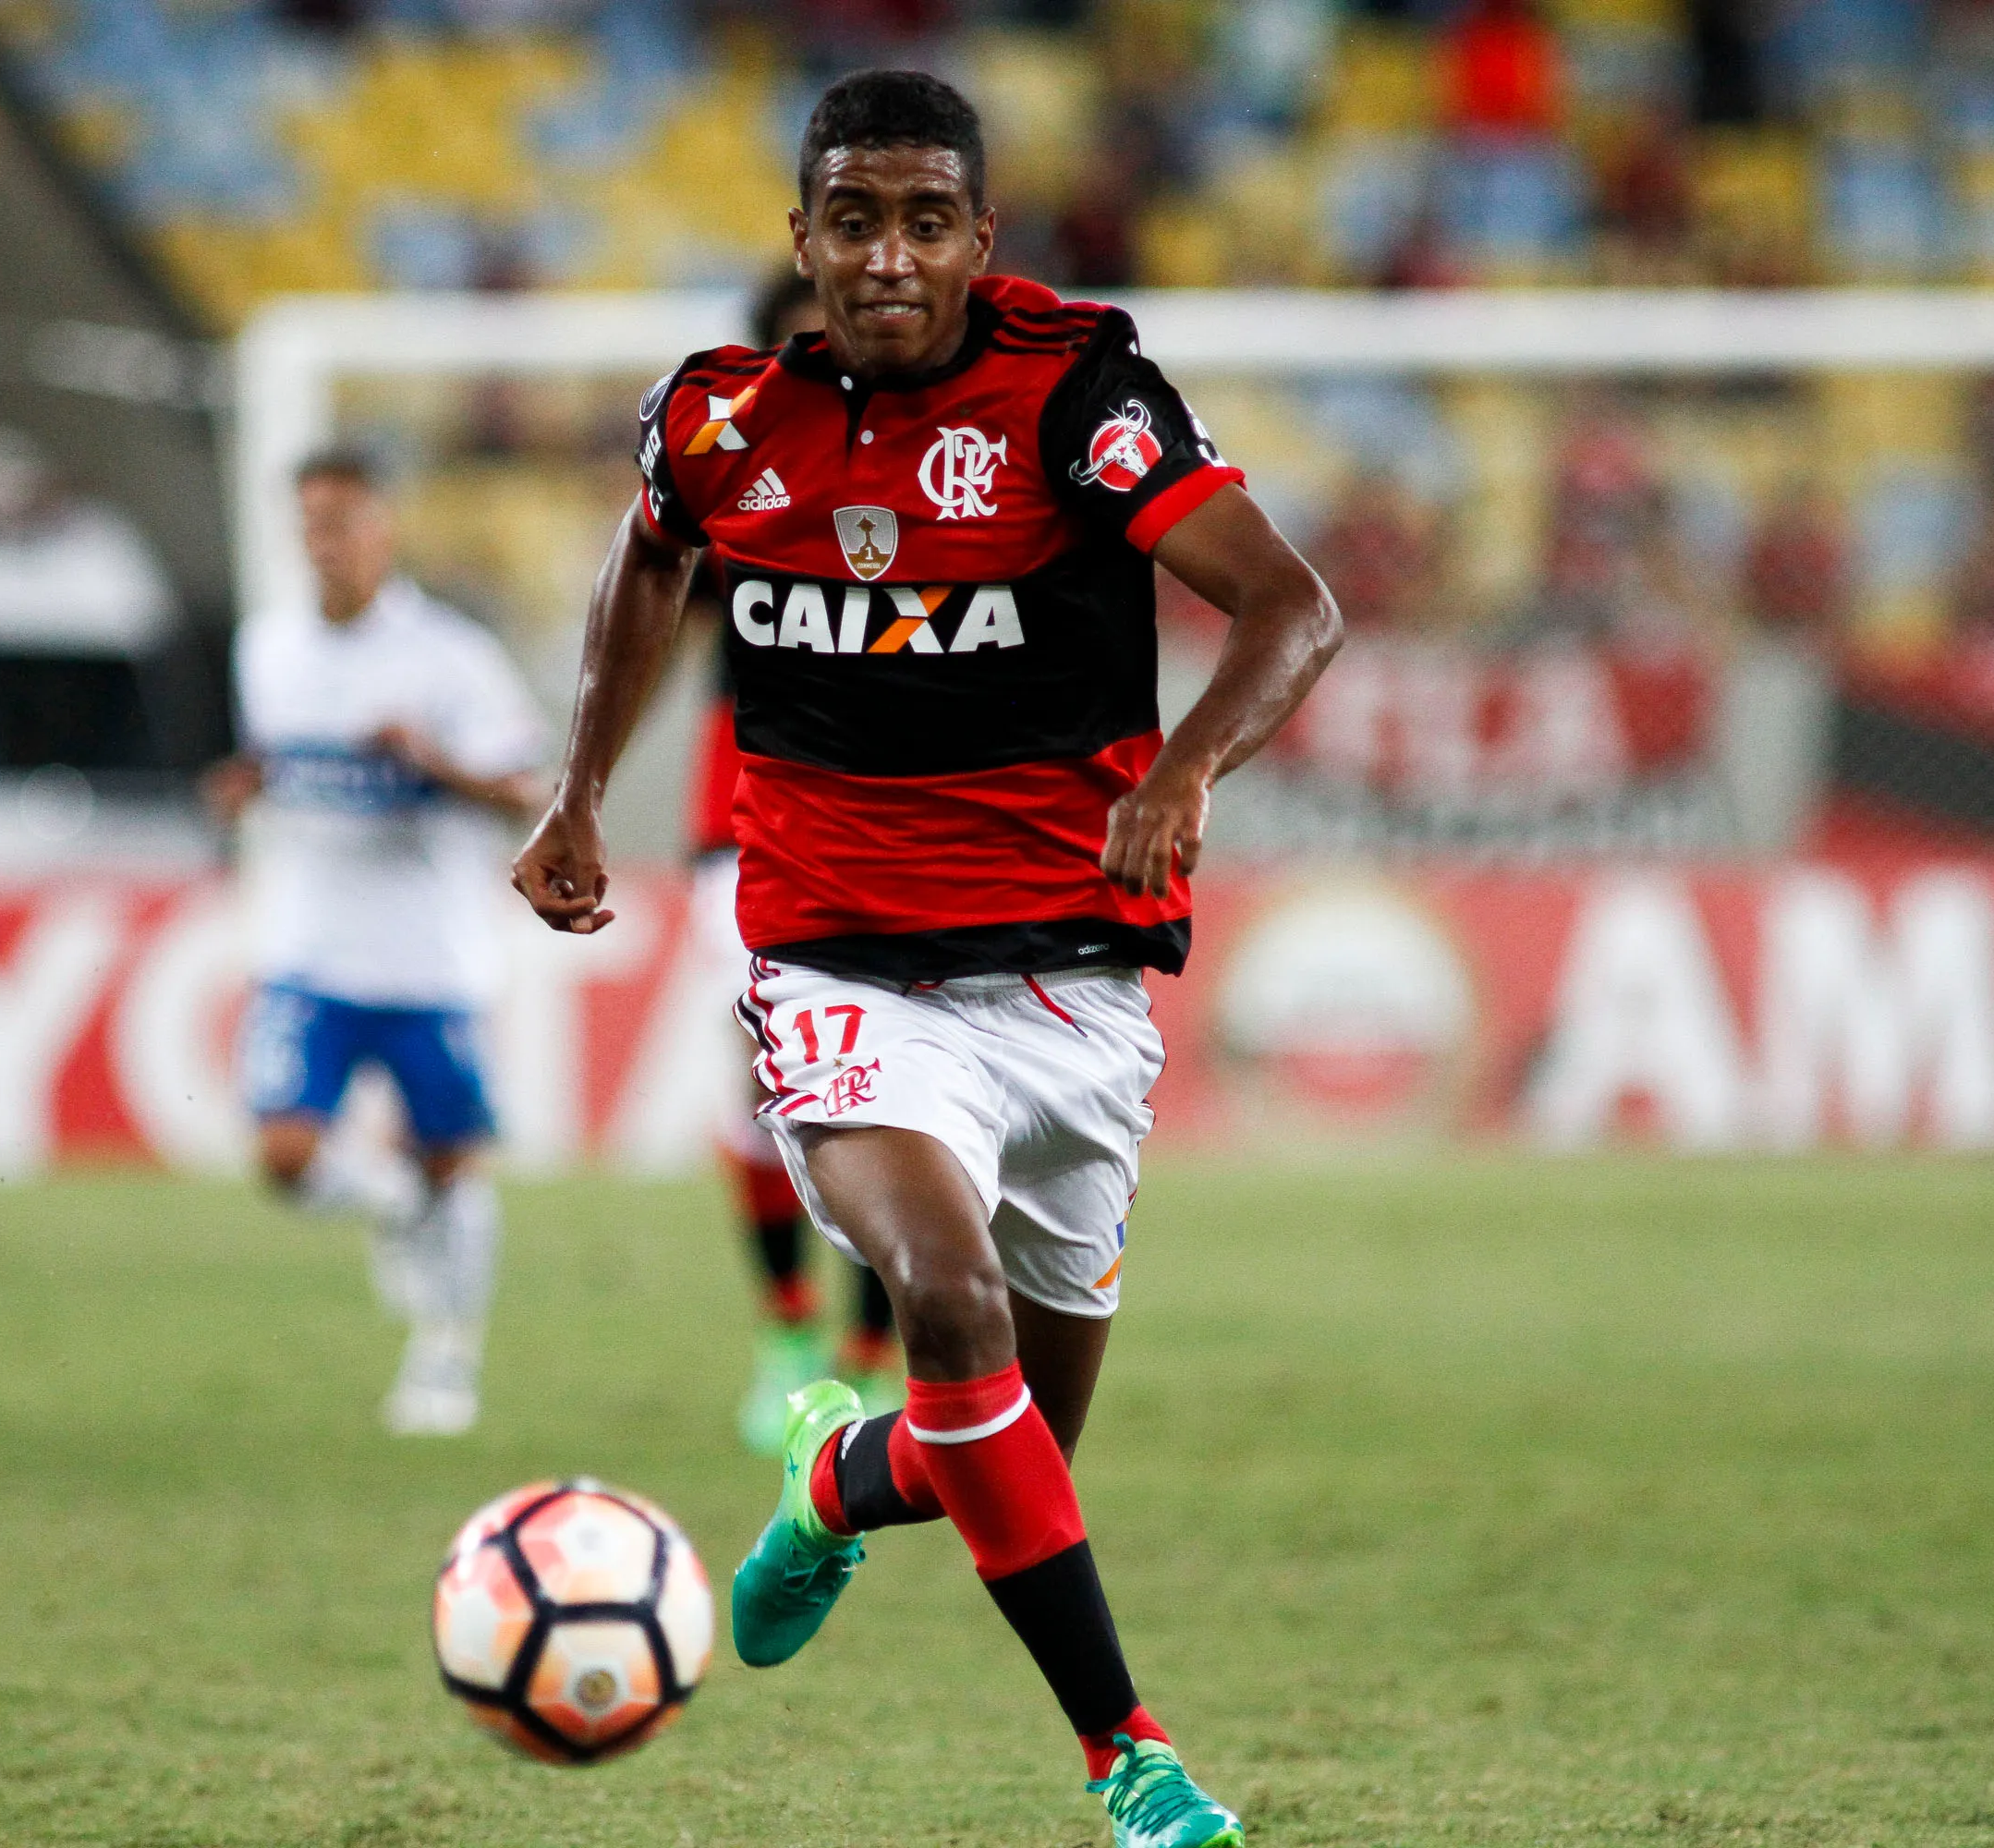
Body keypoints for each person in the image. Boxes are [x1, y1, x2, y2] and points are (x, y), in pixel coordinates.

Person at [512, 70, 1341, 1848]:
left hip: (1073, 983)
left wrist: (1187, 770)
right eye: (853, 221)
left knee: (1015, 1439)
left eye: (924, 222)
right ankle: (1134, 1757)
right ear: (800, 239)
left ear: (980, 237)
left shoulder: (1074, 395)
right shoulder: (722, 416)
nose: (887, 257)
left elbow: (1292, 604)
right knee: (945, 1307)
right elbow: (645, 564)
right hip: (843, 970)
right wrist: (578, 789)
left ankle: (831, 1475)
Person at [206, 445, 546, 1437]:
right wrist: (246, 786)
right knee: (284, 1154)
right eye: (312, 521)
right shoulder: (266, 648)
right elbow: (279, 763)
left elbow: (526, 789)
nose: (329, 541)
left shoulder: (449, 655)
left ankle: (446, 1358)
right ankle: (392, 1203)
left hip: (429, 960)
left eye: (347, 519)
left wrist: (433, 762)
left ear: (384, 528)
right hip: (308, 949)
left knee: (453, 1163)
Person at [690, 266, 905, 1453]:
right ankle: (785, 1332)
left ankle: (871, 1353)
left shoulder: (937, 470)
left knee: (884, 1085)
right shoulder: (725, 474)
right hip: (739, 816)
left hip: (886, 817)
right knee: (760, 1080)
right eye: (798, 341)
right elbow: (648, 602)